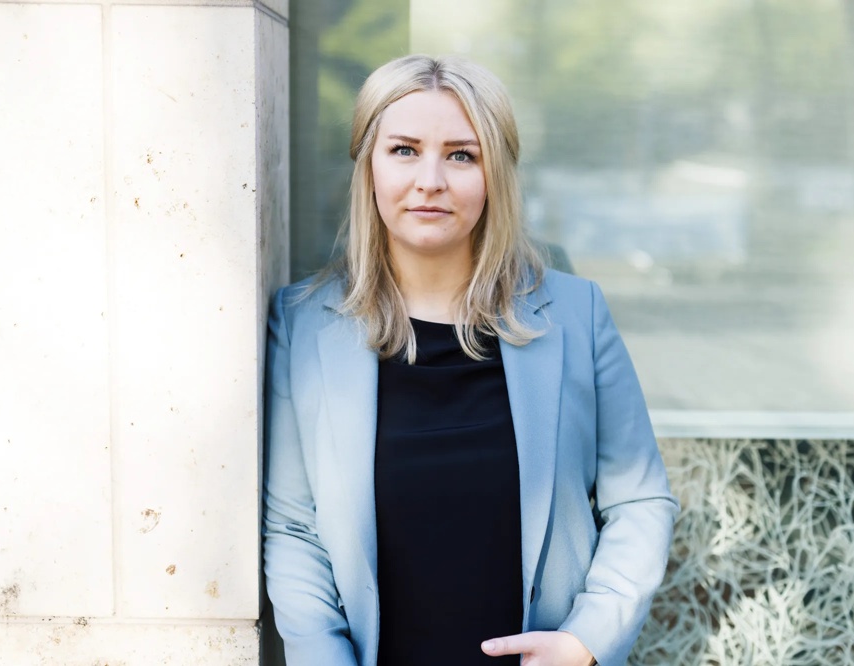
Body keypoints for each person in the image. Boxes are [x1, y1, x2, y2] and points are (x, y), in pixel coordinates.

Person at [263, 54, 678, 666]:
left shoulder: (574, 312)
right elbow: (294, 530)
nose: (430, 179)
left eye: (462, 154)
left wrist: (587, 640)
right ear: (368, 166)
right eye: (404, 149)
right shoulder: (301, 324)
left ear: (494, 176)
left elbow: (640, 500)